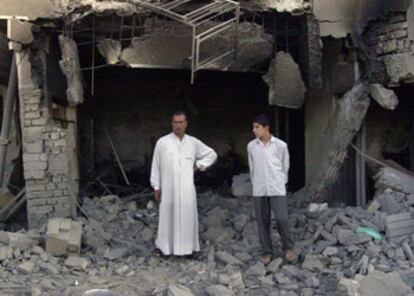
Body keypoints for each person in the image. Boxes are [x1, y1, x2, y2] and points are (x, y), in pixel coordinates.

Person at [150, 111, 217, 257]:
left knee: (187, 218)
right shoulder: (163, 143)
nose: (178, 125)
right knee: (167, 218)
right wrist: (157, 186)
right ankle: (163, 249)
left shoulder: (193, 142)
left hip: (186, 190)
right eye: (175, 122)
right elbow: (156, 166)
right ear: (171, 123)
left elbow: (211, 154)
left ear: (186, 124)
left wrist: (198, 166)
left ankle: (187, 250)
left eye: (181, 122)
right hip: (168, 189)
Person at [247, 114, 296, 264]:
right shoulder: (251, 146)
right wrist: (255, 184)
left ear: (266, 128)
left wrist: (282, 182)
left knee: (282, 219)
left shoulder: (280, 145)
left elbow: (284, 166)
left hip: (277, 188)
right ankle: (267, 252)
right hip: (259, 189)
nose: (254, 130)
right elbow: (252, 167)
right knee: (262, 221)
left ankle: (288, 247)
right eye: (253, 127)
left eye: (257, 127)